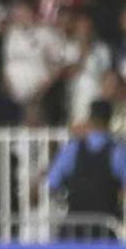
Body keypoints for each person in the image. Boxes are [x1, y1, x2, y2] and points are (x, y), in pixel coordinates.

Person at [47, 99, 126, 240]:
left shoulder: (72, 149)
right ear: (110, 120)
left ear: (89, 119)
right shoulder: (118, 152)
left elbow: (52, 182)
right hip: (105, 229)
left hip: (73, 227)